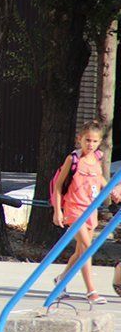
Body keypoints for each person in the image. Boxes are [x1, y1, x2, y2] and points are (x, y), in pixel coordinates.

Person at [52, 121, 121, 305]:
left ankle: (61, 279)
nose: (90, 144)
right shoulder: (73, 159)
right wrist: (57, 210)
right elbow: (58, 186)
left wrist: (112, 191)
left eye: (94, 141)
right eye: (87, 140)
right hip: (74, 209)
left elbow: (100, 180)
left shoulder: (97, 158)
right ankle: (91, 291)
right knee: (87, 249)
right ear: (79, 139)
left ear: (99, 142)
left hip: (91, 209)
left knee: (80, 251)